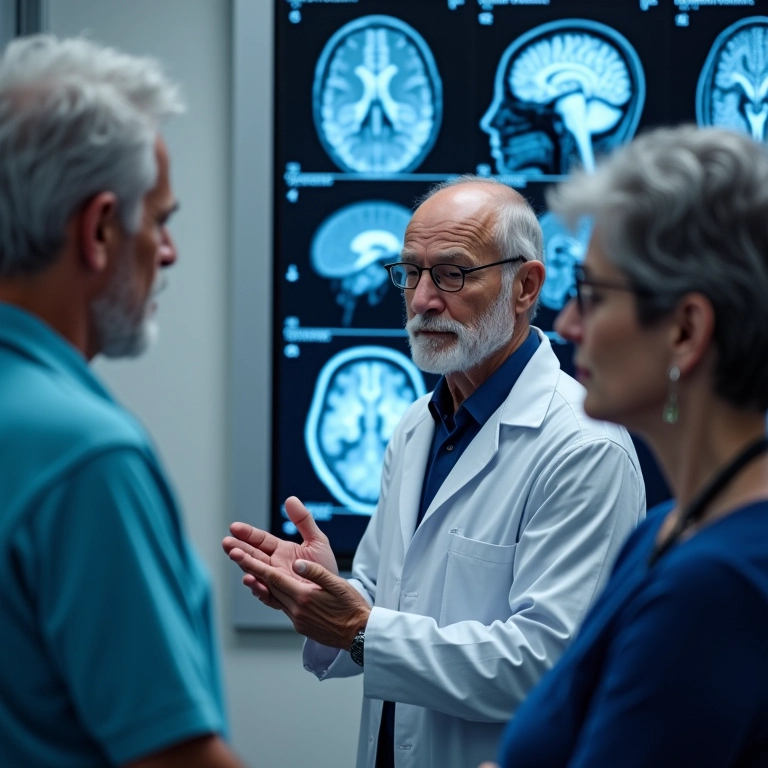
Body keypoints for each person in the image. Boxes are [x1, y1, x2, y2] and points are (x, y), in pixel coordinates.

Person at [224, 177, 645, 768]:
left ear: (525, 286)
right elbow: (384, 595)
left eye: (451, 273)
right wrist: (322, 591)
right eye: (409, 273)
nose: (422, 299)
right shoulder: (417, 425)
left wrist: (362, 628)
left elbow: (550, 666)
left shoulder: (582, 445)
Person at [492, 125, 768, 767]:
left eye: (592, 295)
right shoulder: (664, 533)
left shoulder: (716, 586)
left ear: (685, 331)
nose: (565, 324)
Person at [0, 36, 242, 768]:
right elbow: (173, 758)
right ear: (100, 228)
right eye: (159, 219)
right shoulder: (83, 456)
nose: (166, 251)